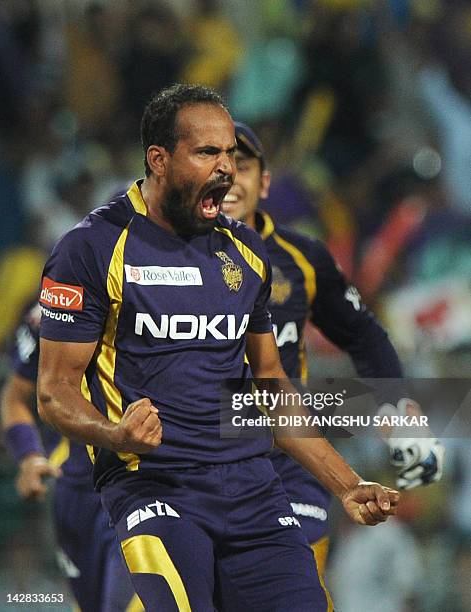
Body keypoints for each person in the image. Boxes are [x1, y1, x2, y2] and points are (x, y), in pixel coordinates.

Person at [36, 83, 399, 612]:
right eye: (207, 152)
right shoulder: (90, 249)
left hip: (254, 489)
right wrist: (113, 432)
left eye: (230, 152)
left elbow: (272, 385)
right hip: (155, 486)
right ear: (158, 160)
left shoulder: (245, 252)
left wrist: (345, 484)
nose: (226, 168)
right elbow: (54, 391)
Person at [224, 121, 445, 575]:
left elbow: (363, 336)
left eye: (241, 166)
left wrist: (396, 410)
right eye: (214, 164)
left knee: (298, 587)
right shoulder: (156, 258)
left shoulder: (301, 258)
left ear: (264, 181)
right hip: (200, 461)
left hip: (292, 461)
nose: (227, 177)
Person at [0, 302, 143, 612]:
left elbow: (263, 368)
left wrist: (265, 453)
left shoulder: (223, 281)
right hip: (78, 491)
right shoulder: (53, 308)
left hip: (149, 487)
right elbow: (15, 396)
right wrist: (28, 455)